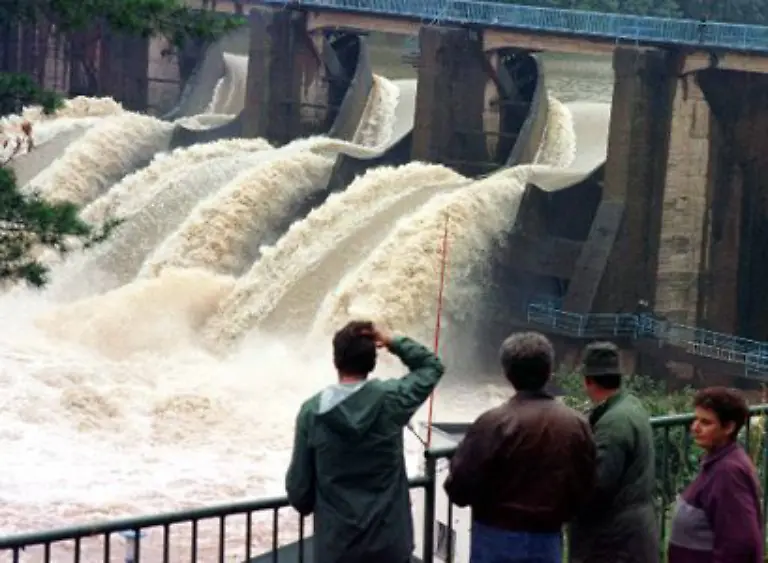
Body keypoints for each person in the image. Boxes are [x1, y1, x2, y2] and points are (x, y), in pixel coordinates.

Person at [285, 320, 445, 563]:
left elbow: (299, 492)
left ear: (336, 360)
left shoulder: (312, 412)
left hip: (338, 547)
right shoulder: (392, 399)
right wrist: (392, 340)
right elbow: (431, 367)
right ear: (372, 362)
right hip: (390, 545)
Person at [444, 331, 597, 563]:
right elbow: (587, 485)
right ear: (549, 370)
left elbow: (459, 488)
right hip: (547, 540)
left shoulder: (492, 423)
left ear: (507, 373)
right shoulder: (576, 424)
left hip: (495, 539)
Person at [569, 341, 659, 563]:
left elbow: (598, 485)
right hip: (635, 531)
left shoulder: (613, 424)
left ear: (588, 381)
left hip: (614, 541)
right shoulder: (631, 405)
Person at [668, 387, 763, 563]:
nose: (695, 428)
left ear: (729, 427)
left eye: (705, 422)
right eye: (695, 419)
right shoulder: (716, 463)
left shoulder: (729, 473)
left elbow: (741, 544)